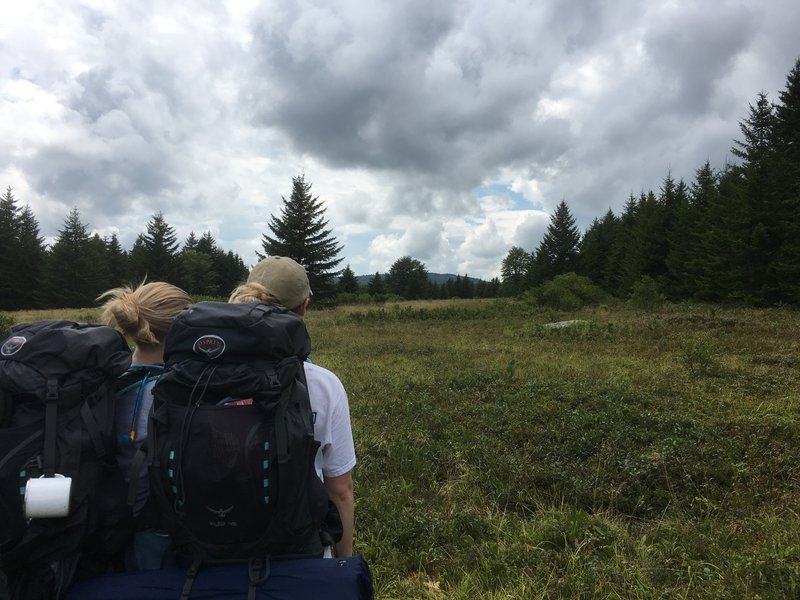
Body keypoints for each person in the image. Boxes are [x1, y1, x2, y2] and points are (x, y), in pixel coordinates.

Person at [229, 256, 356, 557]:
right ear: (303, 309)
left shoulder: (198, 378)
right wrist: (344, 563)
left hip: (209, 553)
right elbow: (340, 491)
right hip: (301, 553)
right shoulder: (324, 385)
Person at [98, 281, 193, 570]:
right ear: (183, 330)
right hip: (165, 538)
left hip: (102, 530)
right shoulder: (185, 394)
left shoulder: (101, 386)